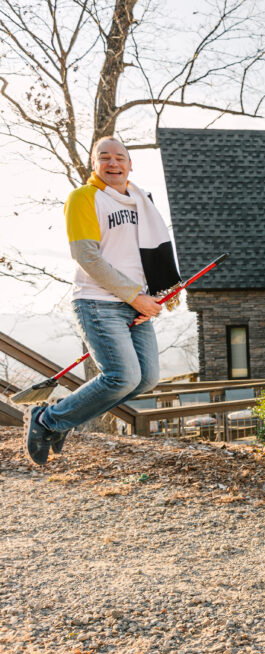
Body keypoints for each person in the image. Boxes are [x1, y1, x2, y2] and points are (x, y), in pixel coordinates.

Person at [24, 136, 179, 464]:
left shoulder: (142, 202)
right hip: (98, 302)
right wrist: (136, 297)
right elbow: (87, 256)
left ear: (130, 164)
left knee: (146, 379)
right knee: (121, 377)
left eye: (120, 157)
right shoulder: (84, 198)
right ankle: (46, 419)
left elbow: (148, 257)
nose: (113, 163)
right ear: (94, 164)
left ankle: (64, 418)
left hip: (135, 302)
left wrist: (156, 294)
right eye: (104, 157)